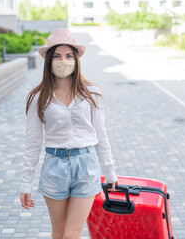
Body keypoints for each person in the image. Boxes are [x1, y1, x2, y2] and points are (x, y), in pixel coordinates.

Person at [19, 28, 119, 239]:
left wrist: (109, 172)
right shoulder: (38, 97)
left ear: (76, 59)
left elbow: (101, 136)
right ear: (48, 60)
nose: (63, 61)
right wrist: (25, 183)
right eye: (56, 56)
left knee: (72, 233)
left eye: (68, 56)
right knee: (59, 232)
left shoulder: (92, 93)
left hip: (86, 165)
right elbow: (32, 143)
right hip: (54, 165)